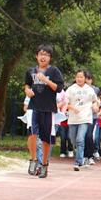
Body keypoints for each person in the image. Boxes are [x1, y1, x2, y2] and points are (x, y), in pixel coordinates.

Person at [24, 44, 65, 178]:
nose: (43, 57)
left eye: (46, 55)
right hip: (33, 107)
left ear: (50, 58)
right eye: (41, 54)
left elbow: (58, 88)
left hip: (48, 108)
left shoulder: (54, 71)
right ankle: (33, 160)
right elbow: (27, 85)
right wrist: (27, 91)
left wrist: (46, 80)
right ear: (36, 56)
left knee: (46, 139)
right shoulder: (30, 71)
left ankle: (44, 164)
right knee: (32, 133)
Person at [66, 69, 99, 171]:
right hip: (73, 119)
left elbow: (95, 101)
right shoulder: (71, 89)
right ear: (75, 78)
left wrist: (95, 106)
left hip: (85, 118)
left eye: (81, 77)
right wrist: (72, 108)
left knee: (80, 139)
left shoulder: (89, 90)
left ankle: (78, 162)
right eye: (77, 77)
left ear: (85, 79)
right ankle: (80, 153)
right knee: (73, 140)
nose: (79, 79)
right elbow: (65, 102)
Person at [83, 71, 100, 165]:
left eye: (89, 79)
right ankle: (84, 155)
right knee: (82, 137)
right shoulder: (78, 88)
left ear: (91, 80)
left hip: (92, 116)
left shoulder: (95, 89)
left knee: (89, 135)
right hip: (81, 116)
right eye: (86, 78)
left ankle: (89, 156)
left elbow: (96, 101)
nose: (87, 80)